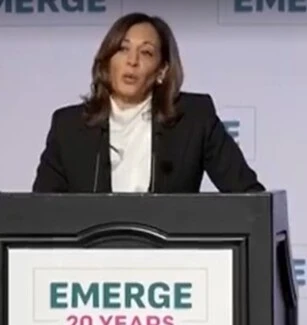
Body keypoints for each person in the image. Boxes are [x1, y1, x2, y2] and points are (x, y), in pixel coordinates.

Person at [32, 12, 265, 194]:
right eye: (123, 49)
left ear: (161, 71)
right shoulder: (68, 126)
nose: (132, 61)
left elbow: (250, 198)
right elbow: (40, 213)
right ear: (107, 61)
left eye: (146, 53)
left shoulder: (194, 119)